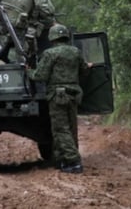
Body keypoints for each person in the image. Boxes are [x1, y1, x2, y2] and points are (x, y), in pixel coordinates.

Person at [26, 24, 92, 174]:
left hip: (57, 95)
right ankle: (64, 159)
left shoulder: (50, 54)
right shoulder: (76, 52)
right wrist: (89, 66)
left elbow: (40, 76)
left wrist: (29, 71)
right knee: (71, 128)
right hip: (74, 93)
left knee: (60, 129)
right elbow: (84, 71)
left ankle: (73, 161)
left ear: (52, 37)